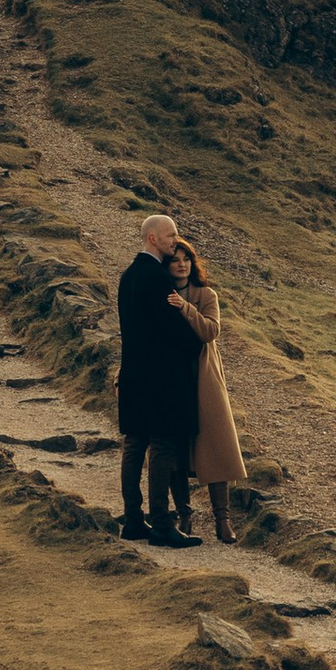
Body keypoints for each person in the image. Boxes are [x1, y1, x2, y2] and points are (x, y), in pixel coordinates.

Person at [116, 212, 200, 546]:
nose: (175, 240)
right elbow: (172, 328)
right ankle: (163, 524)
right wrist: (196, 342)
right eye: (171, 236)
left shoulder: (128, 276)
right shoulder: (155, 277)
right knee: (162, 445)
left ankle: (134, 520)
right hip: (160, 378)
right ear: (153, 238)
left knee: (135, 444)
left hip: (134, 373)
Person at [169, 239, 248, 541]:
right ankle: (184, 516)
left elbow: (210, 331)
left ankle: (222, 520)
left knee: (216, 446)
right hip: (174, 378)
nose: (182, 264)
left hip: (203, 378)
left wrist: (186, 308)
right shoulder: (162, 295)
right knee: (176, 449)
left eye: (186, 258)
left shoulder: (206, 294)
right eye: (175, 260)